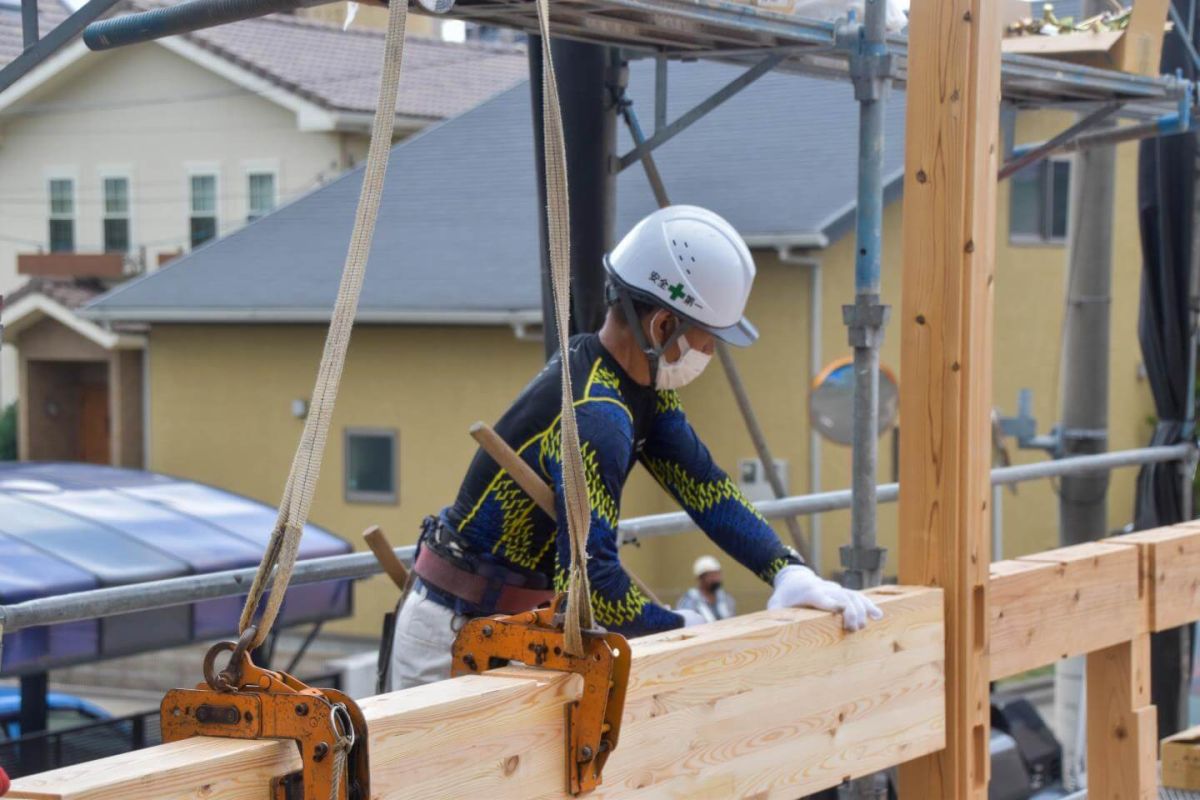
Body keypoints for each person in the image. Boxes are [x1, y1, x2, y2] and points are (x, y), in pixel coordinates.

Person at [384, 205, 882, 691]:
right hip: (453, 634)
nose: (710, 354)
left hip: (499, 625)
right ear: (663, 327)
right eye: (709, 341)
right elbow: (589, 583)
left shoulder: (629, 386)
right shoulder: (597, 416)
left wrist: (784, 568)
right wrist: (680, 630)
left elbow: (705, 488)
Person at [677, 555, 736, 623]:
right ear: (700, 578)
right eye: (712, 575)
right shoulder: (689, 601)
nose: (716, 579)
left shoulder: (726, 597)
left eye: (717, 574)